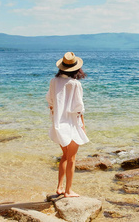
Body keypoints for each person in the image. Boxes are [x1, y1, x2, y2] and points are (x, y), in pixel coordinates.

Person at [46, 52, 89, 197]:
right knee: (71, 158)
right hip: (71, 125)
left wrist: (56, 114)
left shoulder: (53, 81)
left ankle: (59, 188)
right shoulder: (75, 84)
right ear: (76, 69)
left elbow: (50, 102)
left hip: (58, 124)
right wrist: (82, 126)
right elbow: (79, 108)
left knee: (64, 156)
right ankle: (68, 191)